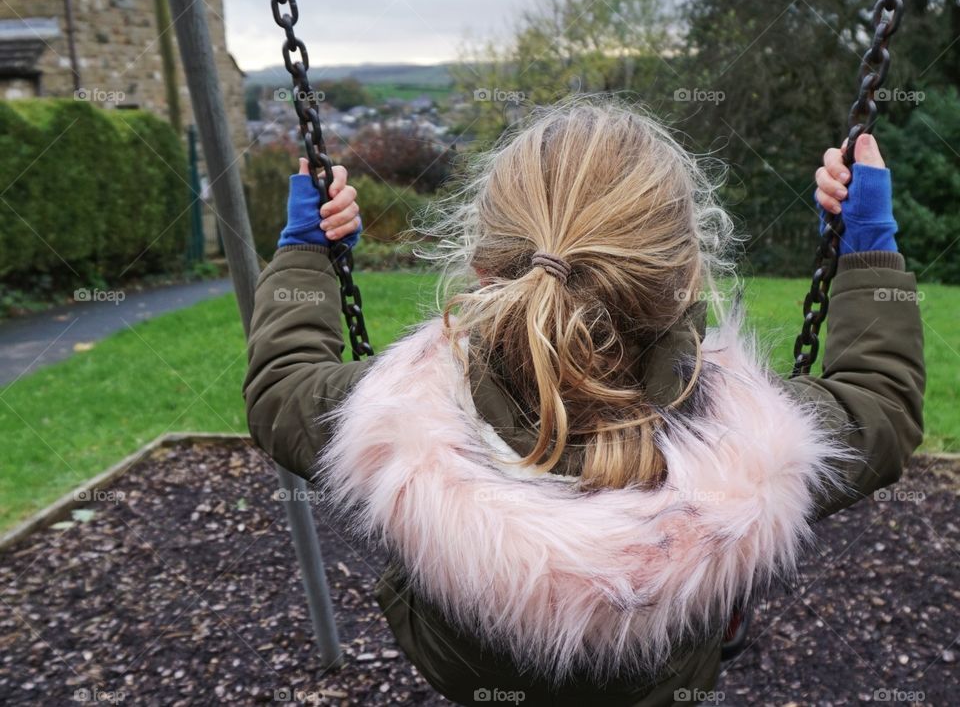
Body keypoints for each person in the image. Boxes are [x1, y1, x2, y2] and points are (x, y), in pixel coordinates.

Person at [243, 100, 924, 706]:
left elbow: (281, 384)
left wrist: (306, 253)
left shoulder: (394, 420)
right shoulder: (753, 442)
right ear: (688, 273)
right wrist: (867, 248)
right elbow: (880, 403)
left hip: (464, 671)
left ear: (483, 268)